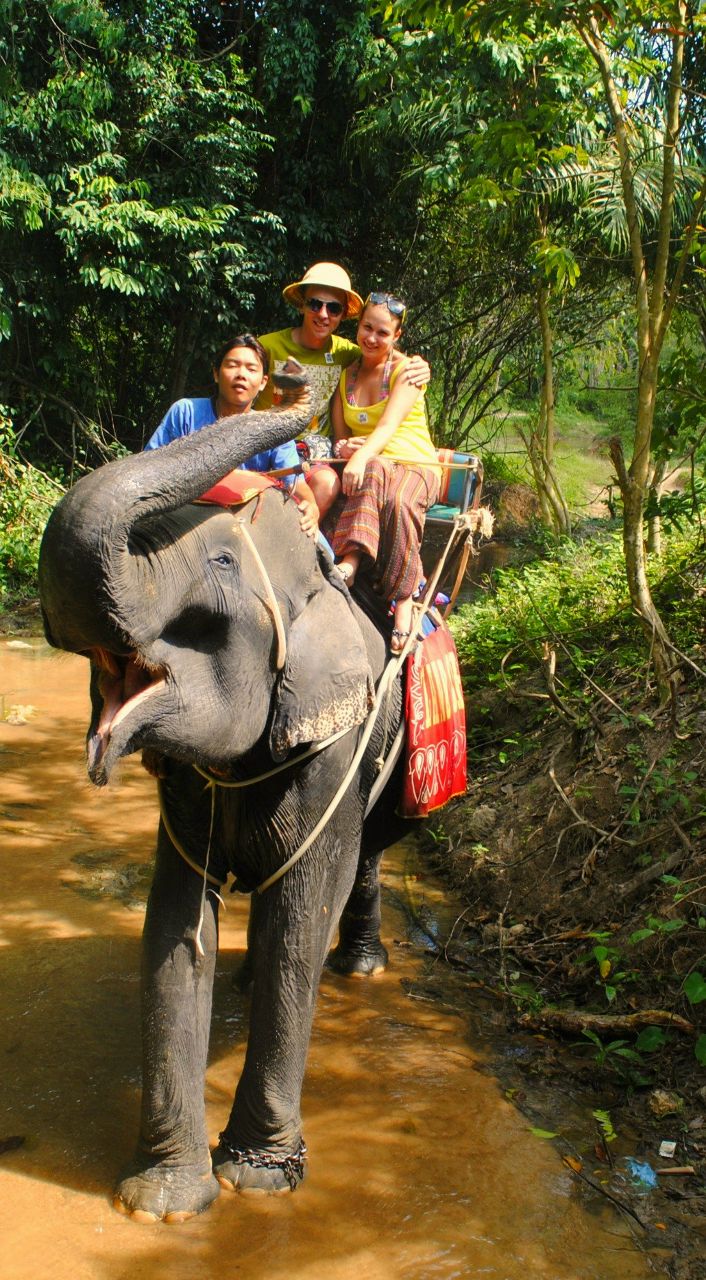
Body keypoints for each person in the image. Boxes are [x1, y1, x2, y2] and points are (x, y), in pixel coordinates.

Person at [256, 263, 431, 522]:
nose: (323, 314)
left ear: (342, 315)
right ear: (302, 304)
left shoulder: (346, 353)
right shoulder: (268, 346)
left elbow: (382, 353)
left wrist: (419, 365)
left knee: (328, 486)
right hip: (269, 446)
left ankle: (303, 543)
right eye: (315, 304)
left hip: (316, 457)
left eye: (334, 308)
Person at [330, 292, 441, 652]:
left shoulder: (407, 371)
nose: (372, 338)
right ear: (358, 327)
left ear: (397, 336)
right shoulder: (345, 376)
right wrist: (346, 451)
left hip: (413, 465)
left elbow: (388, 426)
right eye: (367, 328)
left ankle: (405, 597)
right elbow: (340, 439)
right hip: (375, 467)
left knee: (398, 500)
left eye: (382, 332)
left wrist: (360, 455)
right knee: (375, 467)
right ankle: (352, 558)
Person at [144, 334, 319, 535]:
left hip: (246, 524)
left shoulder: (275, 427)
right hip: (183, 516)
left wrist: (311, 505)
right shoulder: (186, 412)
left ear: (263, 382)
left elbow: (295, 483)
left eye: (251, 369)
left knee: (319, 545)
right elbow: (150, 467)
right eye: (232, 365)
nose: (241, 374)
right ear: (216, 374)